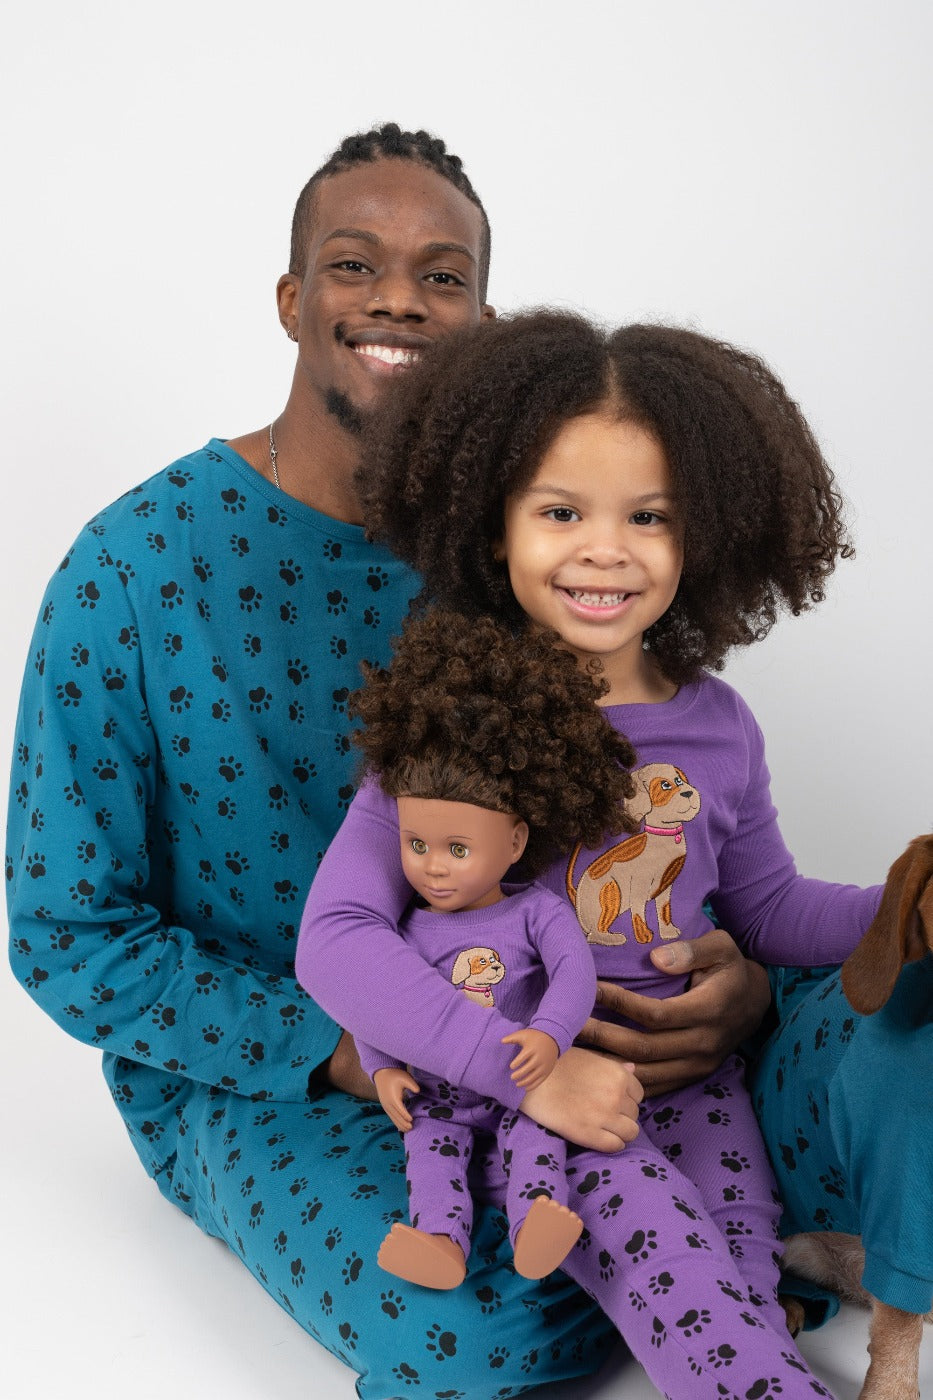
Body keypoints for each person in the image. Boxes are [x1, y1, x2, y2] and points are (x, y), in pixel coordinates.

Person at [6, 126, 768, 1399]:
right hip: (260, 1067)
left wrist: (735, 983)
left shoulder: (521, 550)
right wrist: (343, 1048)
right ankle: (719, 1275)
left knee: (852, 1060)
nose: (400, 299)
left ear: (485, 324)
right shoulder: (129, 570)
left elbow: (658, 807)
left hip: (539, 1026)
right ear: (292, 298)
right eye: (355, 264)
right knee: (468, 1321)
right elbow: (65, 931)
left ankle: (719, 1268)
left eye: (444, 276)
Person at [298, 311, 906, 1396]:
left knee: (745, 1270)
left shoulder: (717, 726)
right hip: (547, 1101)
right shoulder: (453, 727)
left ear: (702, 535)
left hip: (701, 1085)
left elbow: (770, 908)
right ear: (493, 527)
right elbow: (337, 937)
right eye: (561, 510)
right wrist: (521, 1071)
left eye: (650, 516)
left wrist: (905, 904)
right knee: (685, 1288)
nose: (606, 548)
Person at [347, 607, 638, 1289]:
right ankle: (439, 1242)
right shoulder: (403, 925)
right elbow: (372, 1001)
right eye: (416, 844)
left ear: (513, 841)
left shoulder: (536, 910)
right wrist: (381, 1068)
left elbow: (573, 974)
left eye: (457, 849)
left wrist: (551, 1032)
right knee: (429, 1156)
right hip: (438, 1094)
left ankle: (537, 1223)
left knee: (535, 1143)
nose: (432, 866)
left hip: (523, 1085)